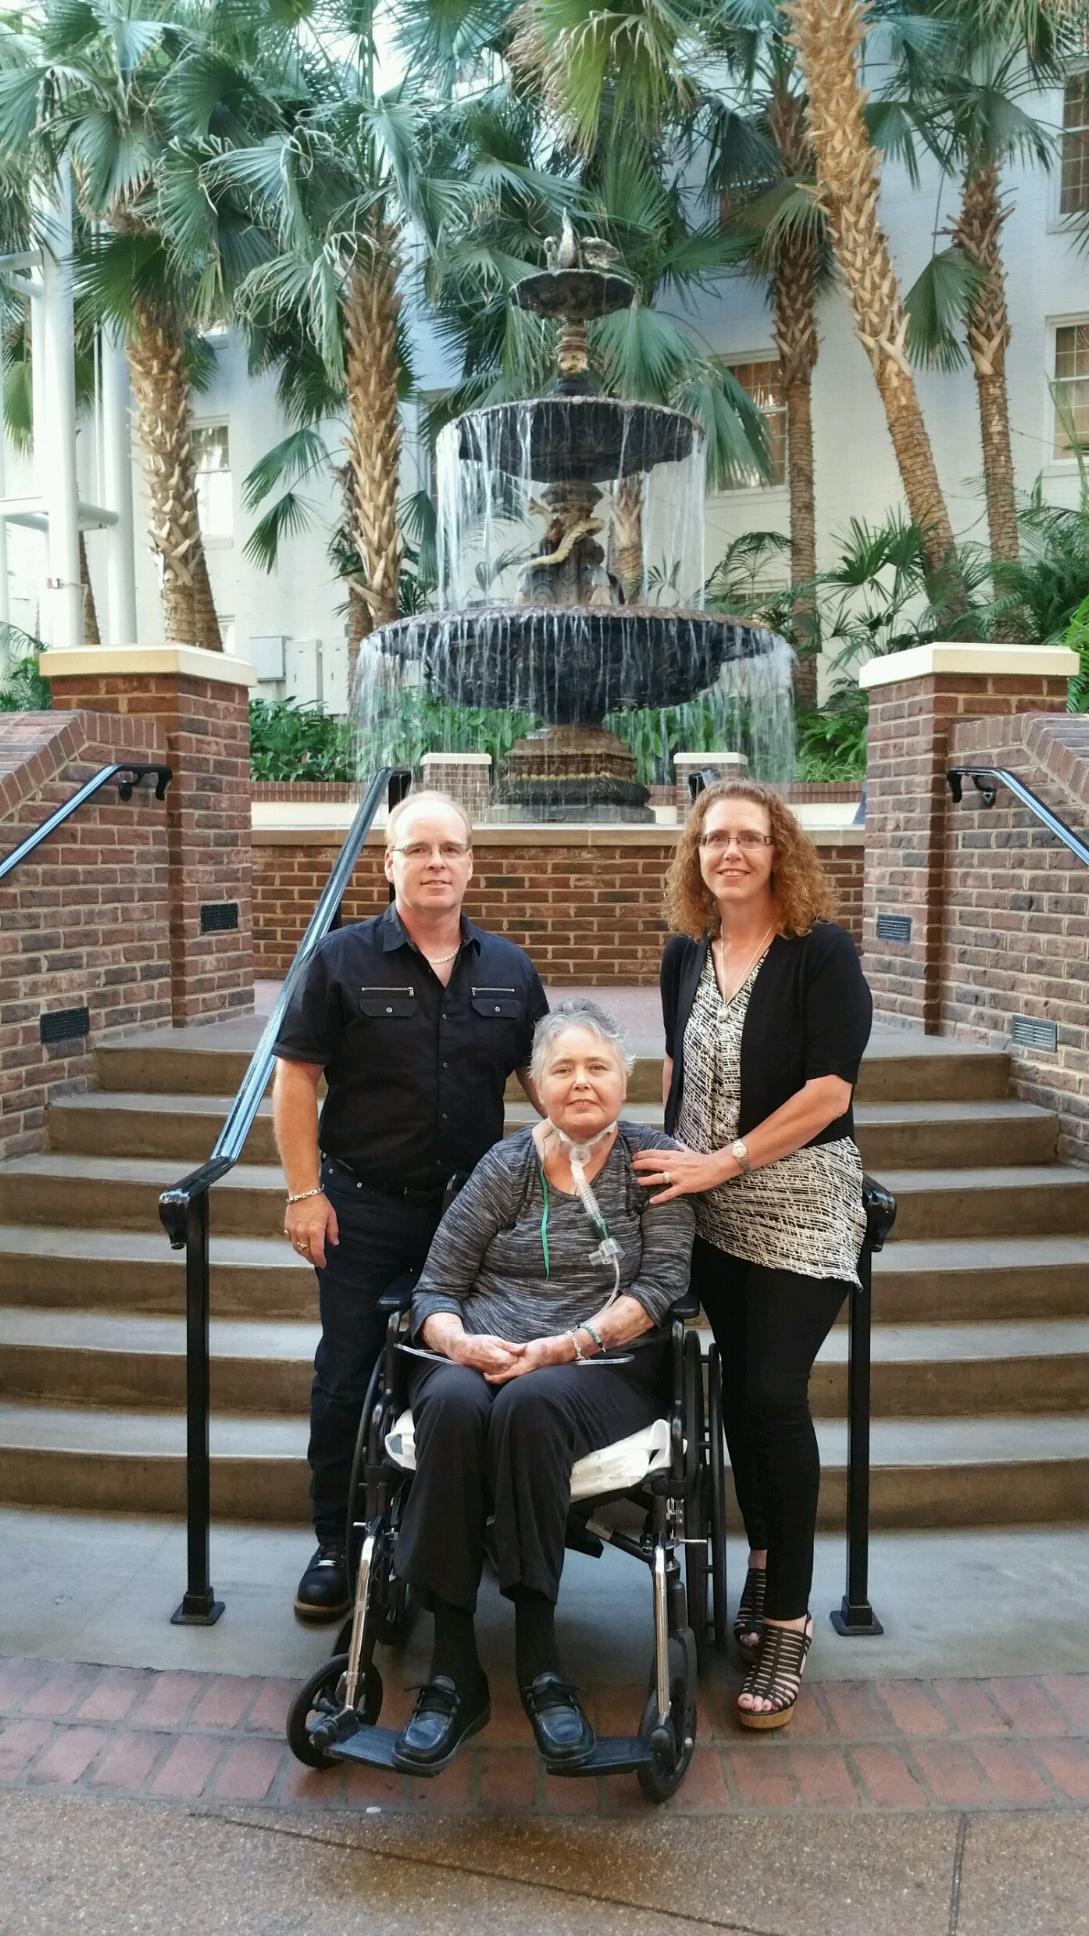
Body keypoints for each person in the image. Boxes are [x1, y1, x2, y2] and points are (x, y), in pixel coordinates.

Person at [389, 999, 695, 1775]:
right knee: (453, 1406)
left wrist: (567, 1344)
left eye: (597, 1066)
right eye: (563, 1068)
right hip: (481, 1355)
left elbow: (661, 1286)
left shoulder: (654, 1161)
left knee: (531, 1405)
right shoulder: (506, 1166)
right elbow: (434, 1287)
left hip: (601, 1368)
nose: (581, 1082)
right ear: (536, 1085)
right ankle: (453, 1672)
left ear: (626, 1079)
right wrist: (456, 1341)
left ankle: (538, 1661)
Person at [272, 790, 548, 1620]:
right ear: (387, 862)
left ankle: (483, 1528)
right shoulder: (340, 959)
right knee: (348, 1376)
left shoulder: (508, 969)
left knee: (481, 1374)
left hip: (476, 1220)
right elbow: (295, 1080)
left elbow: (544, 1084)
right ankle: (336, 1542)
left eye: (451, 850)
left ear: (470, 863)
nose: (436, 864)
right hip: (364, 1210)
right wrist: (303, 1191)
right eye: (417, 849)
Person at [632, 780, 872, 1732]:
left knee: (773, 1394)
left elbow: (826, 1092)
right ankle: (764, 1555)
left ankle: (788, 1620)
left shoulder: (821, 954)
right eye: (712, 839)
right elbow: (676, 1068)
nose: (729, 852)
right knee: (734, 1391)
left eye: (749, 838)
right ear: (695, 856)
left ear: (780, 852)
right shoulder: (685, 952)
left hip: (799, 1204)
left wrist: (721, 1161)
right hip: (706, 1208)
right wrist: (657, 1158)